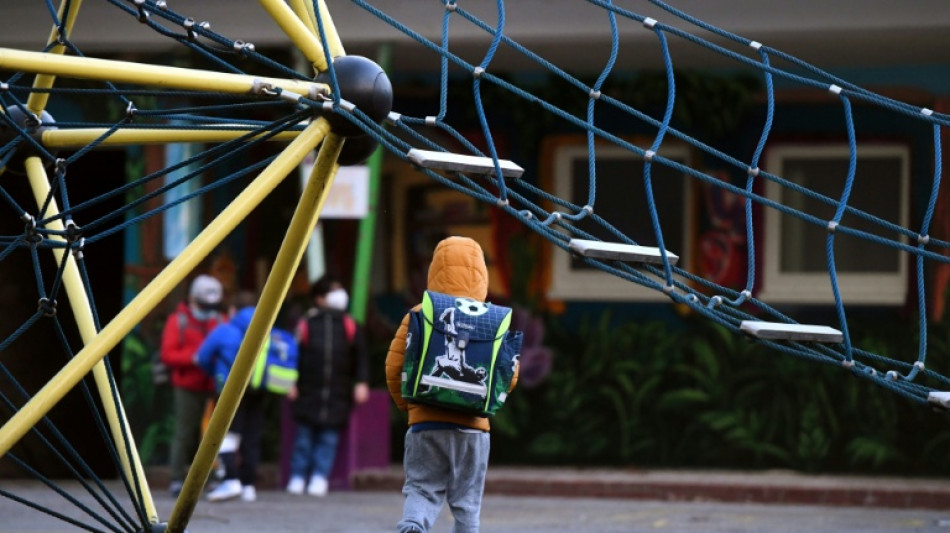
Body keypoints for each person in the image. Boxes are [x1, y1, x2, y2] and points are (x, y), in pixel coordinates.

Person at [385, 236, 519, 533]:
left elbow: (394, 367)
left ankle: (412, 525)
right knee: (467, 500)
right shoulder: (491, 318)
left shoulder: (421, 313)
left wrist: (410, 407)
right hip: (472, 428)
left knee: (421, 487)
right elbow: (509, 373)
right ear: (482, 274)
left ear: (435, 270)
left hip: (425, 424)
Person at [195, 298, 298, 503]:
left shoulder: (226, 330)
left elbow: (202, 358)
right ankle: (248, 486)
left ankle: (231, 480)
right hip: (259, 391)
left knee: (226, 436)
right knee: (252, 437)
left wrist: (215, 375)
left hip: (231, 392)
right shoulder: (268, 330)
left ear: (234, 309)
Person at [286, 275, 370, 497]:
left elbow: (361, 356)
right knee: (303, 436)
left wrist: (362, 382)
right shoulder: (306, 324)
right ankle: (297, 475)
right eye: (333, 290)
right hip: (307, 390)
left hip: (338, 392)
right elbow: (292, 356)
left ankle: (319, 476)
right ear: (319, 298)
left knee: (329, 437)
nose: (339, 294)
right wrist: (290, 382)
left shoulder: (350, 325)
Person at [161, 274, 224, 497]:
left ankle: (213, 479)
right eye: (204, 304)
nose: (209, 309)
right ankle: (177, 479)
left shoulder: (219, 320)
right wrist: (194, 357)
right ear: (192, 299)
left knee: (212, 435)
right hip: (187, 385)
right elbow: (168, 354)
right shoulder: (178, 321)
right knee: (183, 433)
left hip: (213, 386)